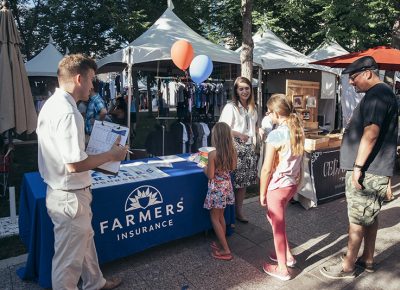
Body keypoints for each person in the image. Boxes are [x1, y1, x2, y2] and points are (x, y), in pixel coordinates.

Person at [36, 54, 127, 290]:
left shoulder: (52, 105)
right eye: (91, 80)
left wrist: (94, 147)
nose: (93, 86)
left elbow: (67, 152)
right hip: (70, 195)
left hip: (66, 193)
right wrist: (111, 156)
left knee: (85, 243)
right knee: (67, 263)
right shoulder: (69, 113)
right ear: (79, 79)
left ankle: (95, 282)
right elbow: (74, 164)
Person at [320, 56, 398, 279]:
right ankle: (368, 259)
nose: (352, 83)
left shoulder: (377, 95)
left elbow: (371, 134)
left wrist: (357, 167)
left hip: (367, 171)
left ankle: (347, 267)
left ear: (368, 73)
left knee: (356, 220)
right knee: (369, 218)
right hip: (374, 169)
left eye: (353, 78)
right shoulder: (383, 94)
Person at [259, 94, 304, 281]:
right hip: (291, 184)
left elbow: (266, 168)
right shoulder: (298, 130)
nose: (268, 115)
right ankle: (287, 256)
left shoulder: (275, 135)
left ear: (277, 113)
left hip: (277, 187)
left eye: (269, 112)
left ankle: (283, 268)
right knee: (276, 220)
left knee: (277, 225)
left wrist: (262, 193)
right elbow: (302, 160)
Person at [219, 76, 258, 223]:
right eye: (241, 88)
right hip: (234, 149)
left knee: (243, 184)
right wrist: (239, 134)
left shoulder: (253, 108)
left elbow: (252, 127)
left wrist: (258, 131)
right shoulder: (231, 107)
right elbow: (222, 128)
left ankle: (239, 212)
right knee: (232, 183)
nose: (244, 91)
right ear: (236, 90)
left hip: (248, 150)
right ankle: (228, 215)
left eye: (247, 88)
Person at [203, 122, 237, 261]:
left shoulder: (212, 154)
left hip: (216, 188)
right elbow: (233, 168)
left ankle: (226, 250)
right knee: (221, 216)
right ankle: (222, 242)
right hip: (226, 187)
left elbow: (210, 175)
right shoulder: (232, 151)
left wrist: (203, 166)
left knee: (215, 218)